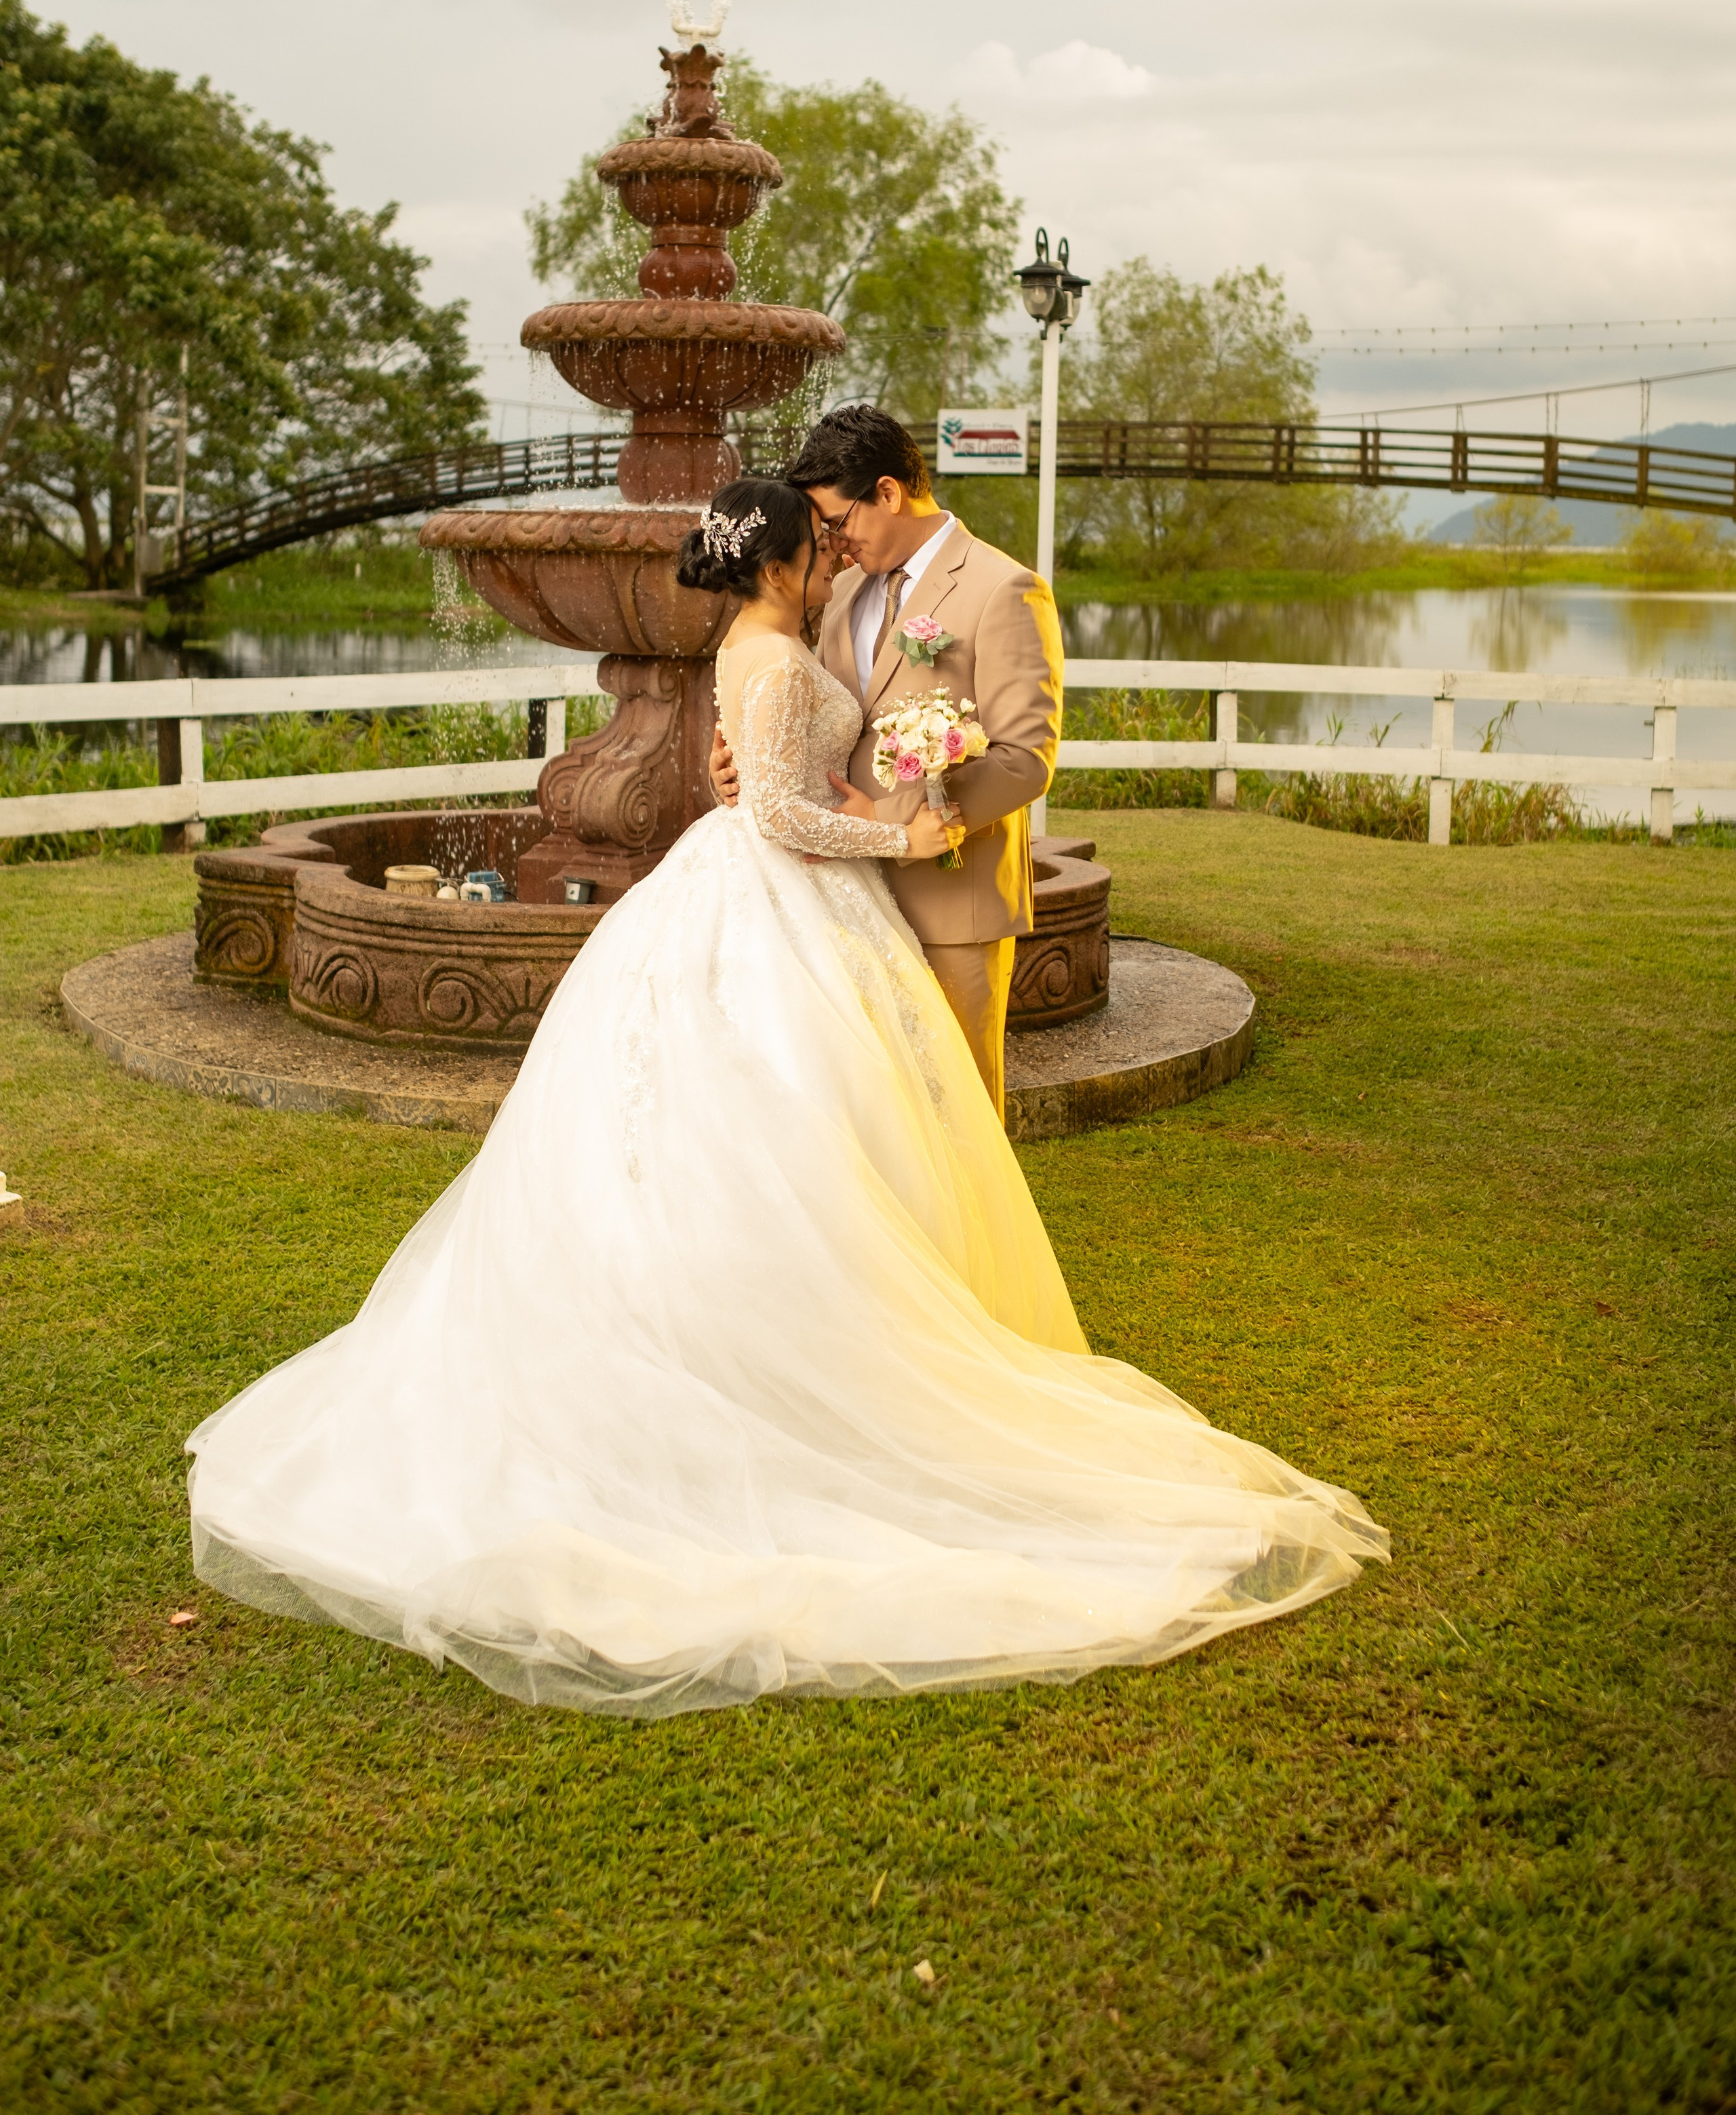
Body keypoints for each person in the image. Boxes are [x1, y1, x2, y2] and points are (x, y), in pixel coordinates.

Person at [186, 479, 1386, 1720]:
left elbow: (764, 776)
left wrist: (885, 773)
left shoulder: (771, 641)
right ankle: (785, 1351)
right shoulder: (764, 654)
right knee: (770, 1117)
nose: (832, 558)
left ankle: (840, 1318)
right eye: (814, 547)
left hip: (772, 898)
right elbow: (781, 812)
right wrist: (908, 841)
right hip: (777, 893)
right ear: (773, 561)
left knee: (813, 1122)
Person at [711, 403, 1059, 1122]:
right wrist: (738, 772)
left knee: (959, 1115)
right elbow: (800, 716)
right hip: (839, 897)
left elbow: (1026, 760)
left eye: (838, 521)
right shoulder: (839, 592)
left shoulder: (1003, 588)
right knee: (873, 1125)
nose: (832, 543)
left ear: (888, 493)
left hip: (949, 895)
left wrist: (896, 821)